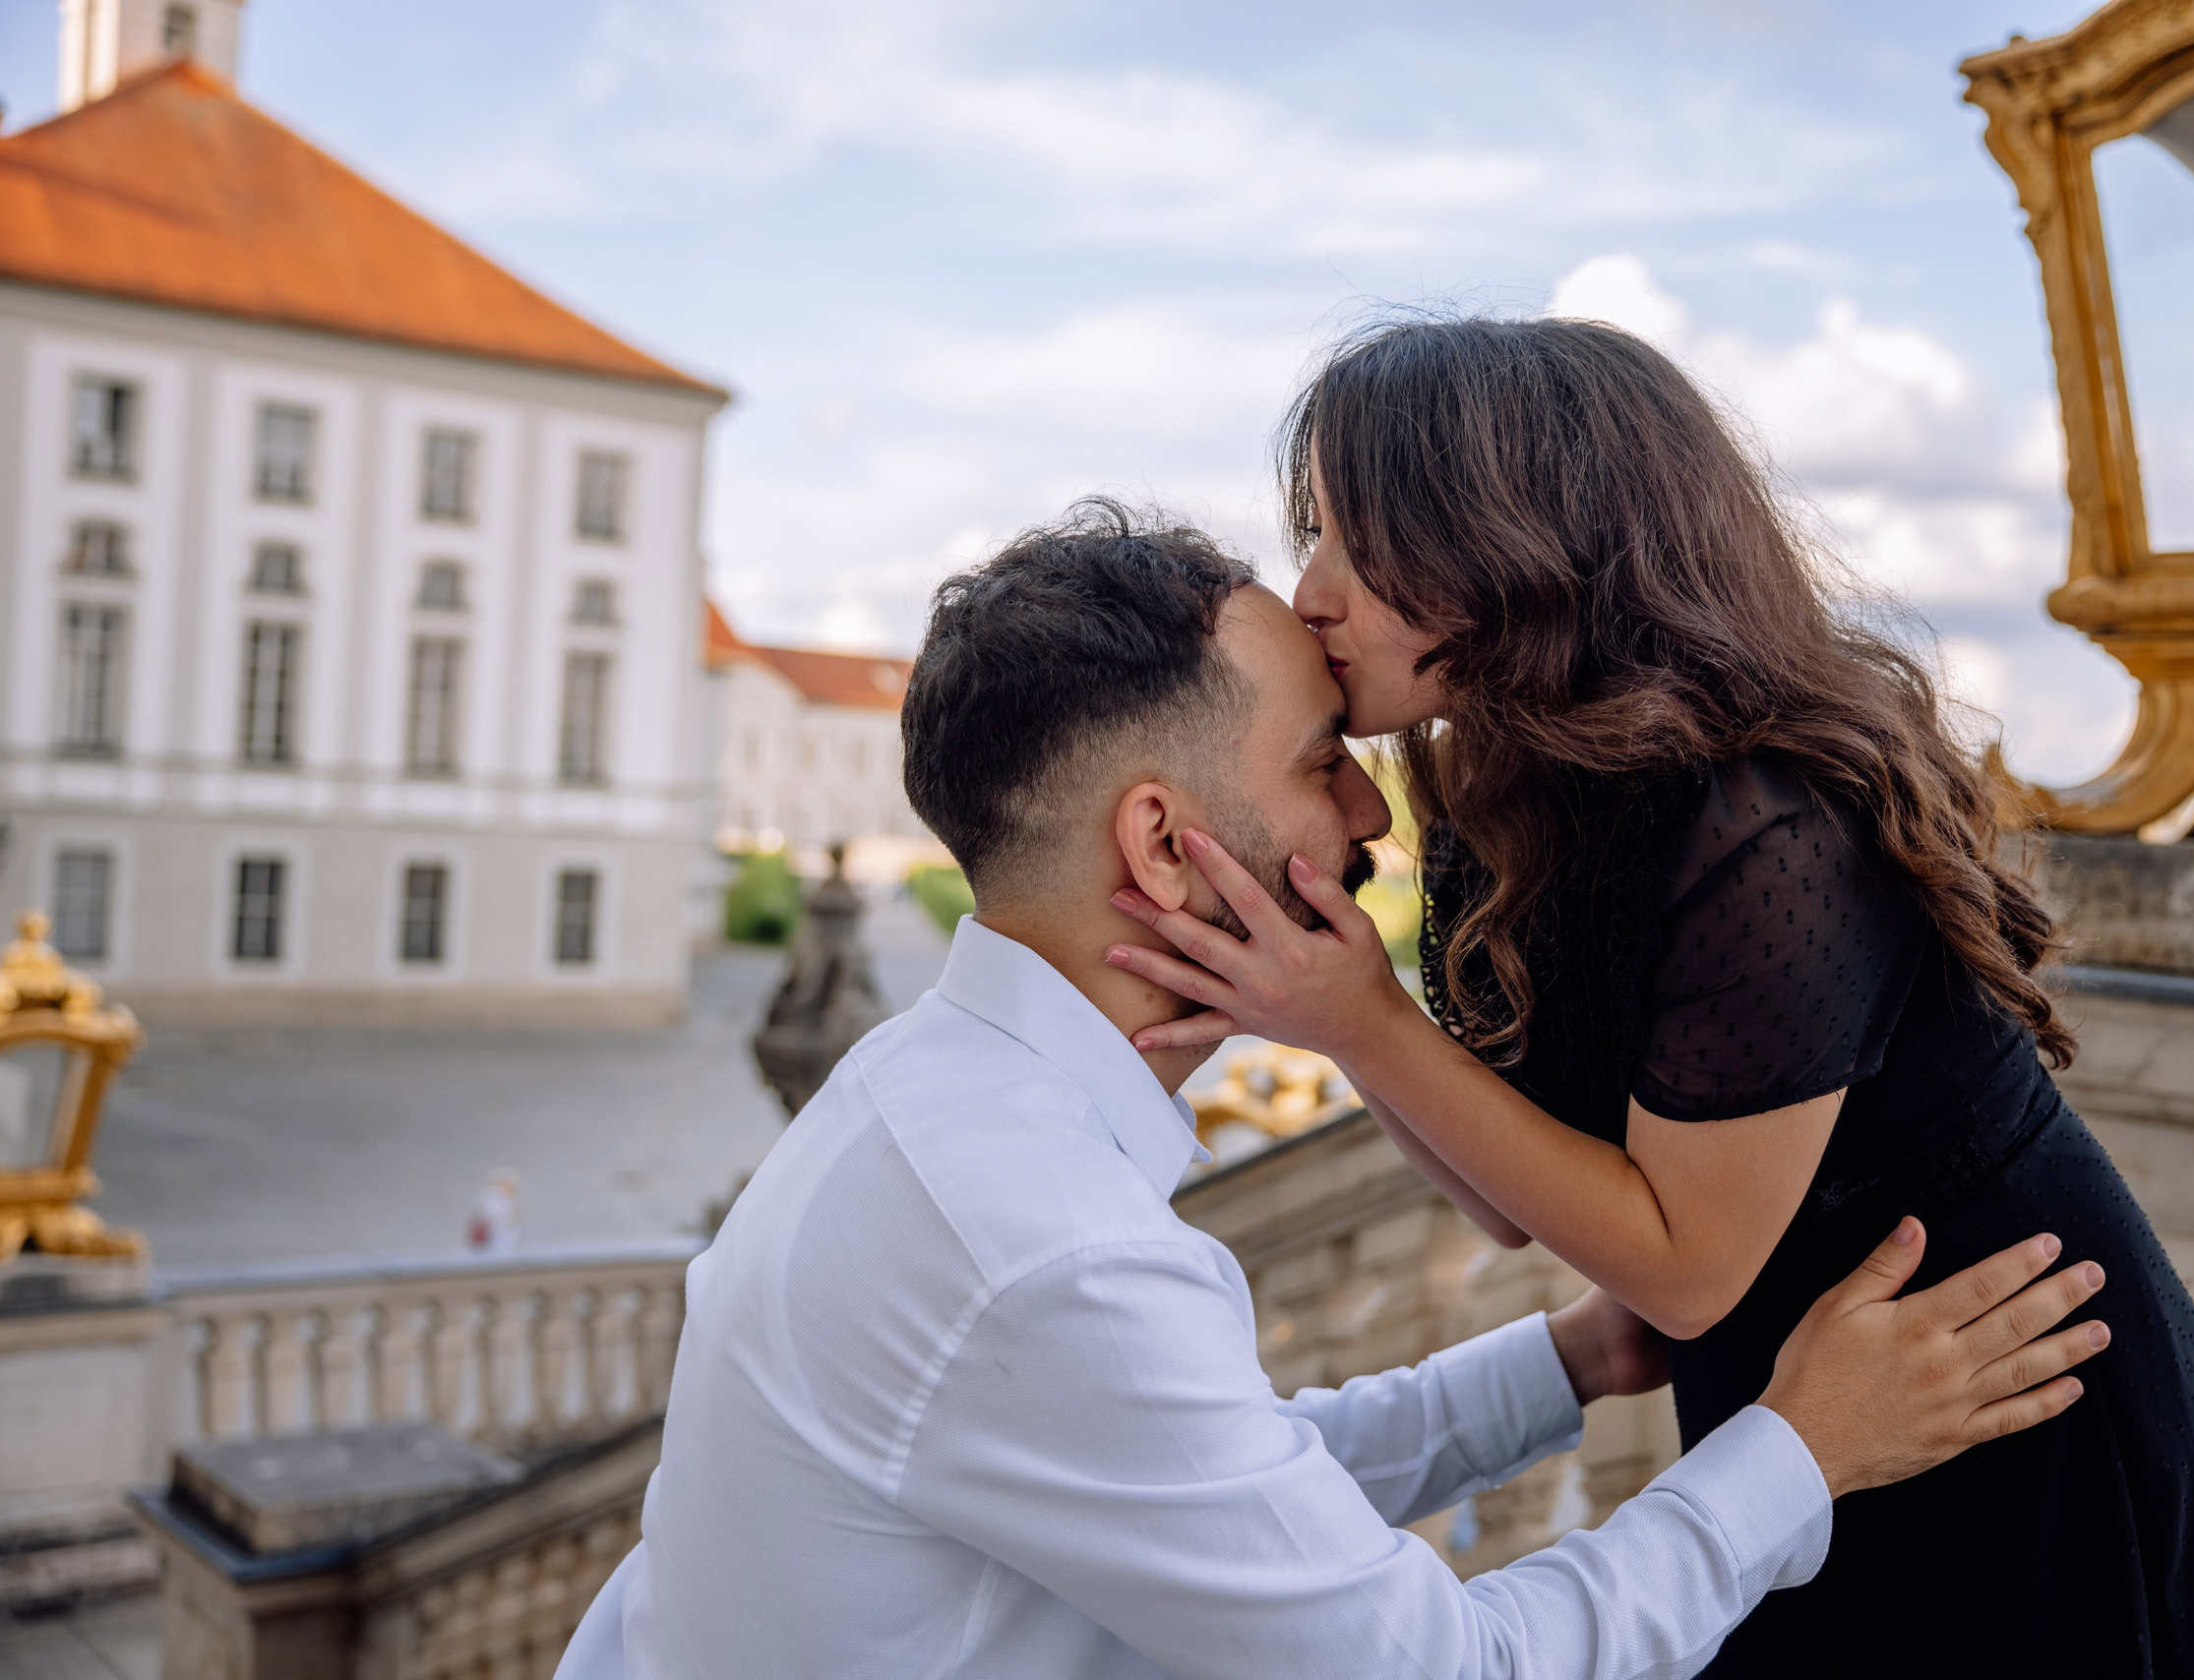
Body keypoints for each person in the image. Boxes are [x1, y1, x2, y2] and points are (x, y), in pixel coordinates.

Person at [558, 505, 2110, 1679]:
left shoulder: (928, 1098)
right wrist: (1802, 1448)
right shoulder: (1041, 1244)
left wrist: (1567, 1361)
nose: (1375, 802)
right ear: (1168, 849)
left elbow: (1218, 1483)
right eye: (1320, 762)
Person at [1109, 320, 2194, 1678]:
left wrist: (1364, 1022)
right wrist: (1331, 1015)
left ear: (1518, 540)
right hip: (1817, 1393)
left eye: (1358, 540)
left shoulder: (1760, 821)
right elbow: (1513, 1203)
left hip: (2006, 1403)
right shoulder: (1496, 790)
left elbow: (1682, 1265)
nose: (1311, 590)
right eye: (1311, 530)